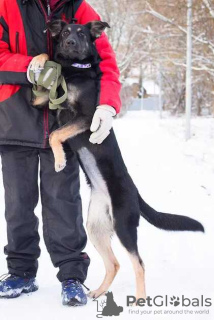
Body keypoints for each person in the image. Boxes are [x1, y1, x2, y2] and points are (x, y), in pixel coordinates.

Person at [0, 0, 121, 306]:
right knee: (17, 206)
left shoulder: (79, 8)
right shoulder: (6, 6)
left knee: (64, 203)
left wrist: (107, 104)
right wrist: (28, 65)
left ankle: (71, 276)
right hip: (14, 123)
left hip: (64, 127)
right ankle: (21, 273)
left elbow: (105, 60)